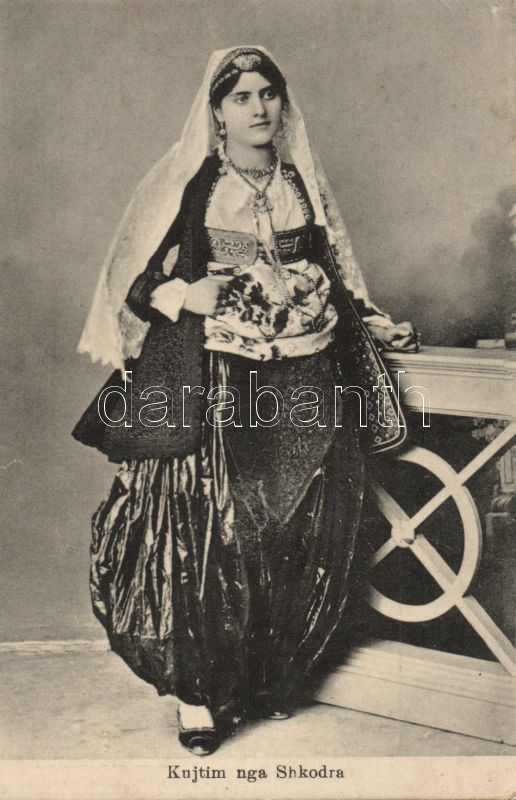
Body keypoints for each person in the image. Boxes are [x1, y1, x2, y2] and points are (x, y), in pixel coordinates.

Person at [72, 46, 417, 756]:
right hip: (220, 383)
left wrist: (371, 320)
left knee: (293, 525)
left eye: (268, 94)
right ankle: (198, 694)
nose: (258, 108)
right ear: (218, 112)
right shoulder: (196, 185)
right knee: (206, 529)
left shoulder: (299, 183)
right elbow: (137, 283)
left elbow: (335, 272)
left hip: (304, 377)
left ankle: (262, 676)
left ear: (283, 105)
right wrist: (185, 293)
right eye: (242, 97)